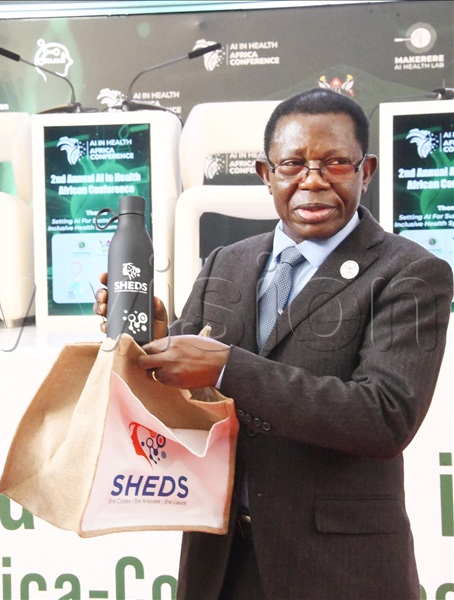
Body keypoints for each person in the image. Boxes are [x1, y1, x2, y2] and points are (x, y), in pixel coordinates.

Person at [95, 88, 453, 599]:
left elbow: (385, 416)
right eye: (293, 164)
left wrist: (227, 368)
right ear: (266, 174)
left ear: (367, 171)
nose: (313, 180)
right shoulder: (226, 262)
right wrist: (156, 340)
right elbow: (186, 402)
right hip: (221, 566)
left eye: (335, 163)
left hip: (340, 572)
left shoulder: (411, 273)